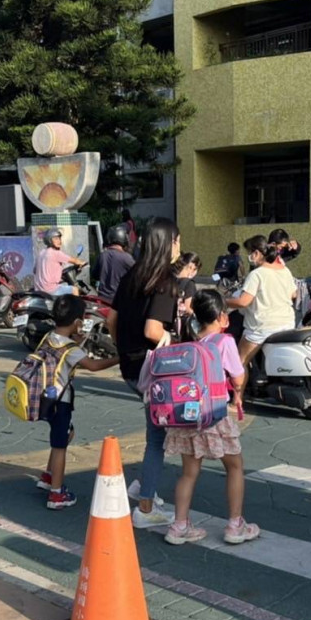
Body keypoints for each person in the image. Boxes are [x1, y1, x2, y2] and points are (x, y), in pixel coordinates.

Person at [159, 290, 257, 546]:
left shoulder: (190, 344)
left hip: (187, 418)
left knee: (189, 472)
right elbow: (237, 376)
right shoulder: (224, 342)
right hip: (213, 416)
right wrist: (238, 388)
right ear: (222, 316)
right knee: (234, 466)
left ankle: (179, 525)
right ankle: (235, 525)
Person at [107, 218, 182, 528]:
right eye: (178, 241)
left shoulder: (132, 276)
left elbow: (112, 318)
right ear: (168, 244)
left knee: (156, 432)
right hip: (153, 371)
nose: (180, 247)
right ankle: (146, 509)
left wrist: (125, 347)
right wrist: (175, 342)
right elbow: (154, 330)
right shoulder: (164, 281)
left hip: (130, 365)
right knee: (157, 439)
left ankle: (141, 486)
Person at [33, 295, 119, 509]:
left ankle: (48, 476)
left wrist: (77, 340)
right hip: (61, 401)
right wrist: (120, 359)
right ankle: (56, 494)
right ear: (78, 322)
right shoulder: (72, 350)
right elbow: (93, 366)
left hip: (46, 397)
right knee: (60, 444)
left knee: (65, 434)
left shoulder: (49, 337)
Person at [227, 235, 297, 370]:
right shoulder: (285, 270)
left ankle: (238, 392)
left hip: (263, 326)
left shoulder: (257, 274)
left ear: (257, 253)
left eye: (249, 253)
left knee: (239, 364)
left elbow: (243, 302)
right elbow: (293, 294)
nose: (249, 257)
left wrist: (225, 302)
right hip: (287, 323)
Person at [34, 228, 84, 295]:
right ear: (49, 240)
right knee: (75, 290)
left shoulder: (41, 253)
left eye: (59, 238)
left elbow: (35, 271)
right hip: (50, 289)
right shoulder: (55, 253)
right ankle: (75, 305)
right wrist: (82, 263)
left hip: (39, 289)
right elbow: (75, 260)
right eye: (56, 239)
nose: (59, 241)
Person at [97, 225, 134, 300]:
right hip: (118, 301)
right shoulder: (127, 258)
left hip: (101, 299)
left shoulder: (102, 255)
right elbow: (138, 275)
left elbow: (95, 275)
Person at [173, 252, 202, 340]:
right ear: (191, 267)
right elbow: (187, 307)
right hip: (182, 325)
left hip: (171, 322)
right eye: (196, 269)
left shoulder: (172, 279)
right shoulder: (189, 284)